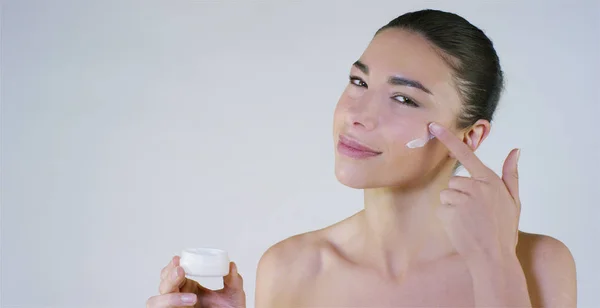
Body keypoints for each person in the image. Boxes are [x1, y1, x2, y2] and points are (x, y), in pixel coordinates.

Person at [146, 9, 577, 308]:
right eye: (358, 81)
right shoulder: (292, 267)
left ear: (472, 135)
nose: (357, 114)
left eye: (404, 98)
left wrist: (494, 262)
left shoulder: (537, 264)